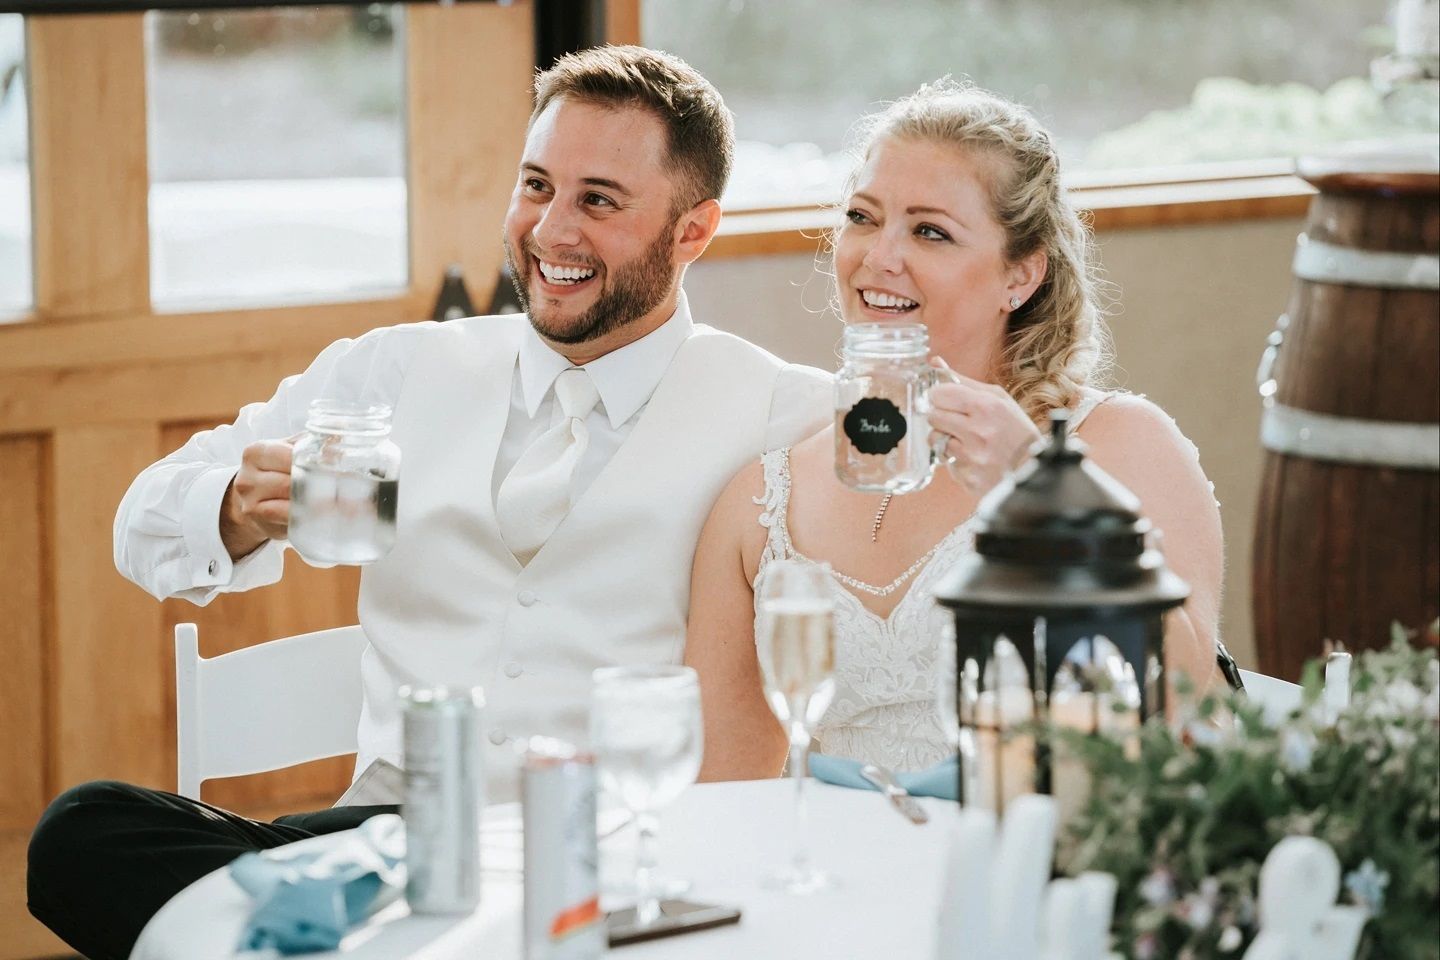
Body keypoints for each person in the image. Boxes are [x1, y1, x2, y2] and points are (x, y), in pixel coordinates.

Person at [27, 46, 829, 960]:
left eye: (598, 201)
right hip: (383, 845)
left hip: (605, 862)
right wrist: (235, 506)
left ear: (694, 230)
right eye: (536, 185)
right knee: (80, 834)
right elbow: (142, 521)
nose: (549, 230)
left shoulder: (782, 411)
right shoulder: (396, 368)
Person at [686, 80, 1223, 780]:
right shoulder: (761, 500)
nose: (880, 256)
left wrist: (1041, 493)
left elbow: (1189, 714)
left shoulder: (1122, 447)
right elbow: (723, 792)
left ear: (1021, 276)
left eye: (930, 231)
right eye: (863, 217)